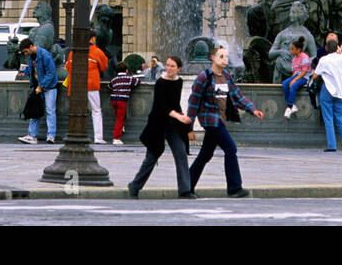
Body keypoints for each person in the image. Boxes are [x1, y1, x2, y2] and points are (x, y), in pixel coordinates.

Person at [186, 44, 264, 197]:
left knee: (205, 155)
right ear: (213, 58)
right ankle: (234, 188)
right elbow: (193, 103)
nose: (225, 60)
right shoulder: (204, 77)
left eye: (226, 57)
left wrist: (253, 109)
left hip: (221, 119)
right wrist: (189, 127)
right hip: (211, 121)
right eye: (221, 56)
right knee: (231, 148)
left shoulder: (227, 76)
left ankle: (186, 186)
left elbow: (237, 96)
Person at [127, 55, 195, 199]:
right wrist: (179, 116)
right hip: (158, 124)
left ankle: (185, 190)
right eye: (168, 65)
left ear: (179, 68)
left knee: (181, 153)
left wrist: (186, 126)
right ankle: (135, 186)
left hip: (172, 125)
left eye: (172, 66)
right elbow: (160, 106)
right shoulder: (160, 82)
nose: (169, 68)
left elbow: (175, 104)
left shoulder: (179, 82)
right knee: (152, 157)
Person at [66, 34, 109, 144]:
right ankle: (98, 137)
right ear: (93, 38)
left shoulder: (72, 53)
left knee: (77, 112)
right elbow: (104, 66)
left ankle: (76, 134)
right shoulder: (97, 51)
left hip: (76, 86)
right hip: (91, 85)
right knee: (96, 111)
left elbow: (67, 67)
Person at [314, 37, 342, 153]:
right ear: (337, 48)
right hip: (340, 92)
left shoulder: (324, 60)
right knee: (340, 118)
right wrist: (341, 54)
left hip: (327, 89)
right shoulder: (341, 58)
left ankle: (332, 145)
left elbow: (316, 74)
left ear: (326, 48)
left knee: (328, 118)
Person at [17, 38, 58, 144]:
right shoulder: (31, 56)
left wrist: (41, 86)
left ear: (31, 47)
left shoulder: (45, 55)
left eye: (26, 51)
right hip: (38, 87)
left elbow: (51, 73)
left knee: (50, 110)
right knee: (34, 110)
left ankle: (50, 135)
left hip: (48, 87)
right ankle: (32, 135)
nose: (25, 54)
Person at [109, 62, 140, 145]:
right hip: (122, 99)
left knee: (118, 117)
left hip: (113, 99)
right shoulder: (129, 78)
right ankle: (116, 138)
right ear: (126, 70)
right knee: (120, 118)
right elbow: (138, 82)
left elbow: (110, 86)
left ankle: (121, 127)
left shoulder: (114, 79)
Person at [282, 38, 312, 118]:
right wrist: (291, 79)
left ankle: (289, 107)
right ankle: (292, 106)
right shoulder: (294, 59)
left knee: (293, 86)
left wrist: (294, 80)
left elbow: (304, 72)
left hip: (304, 77)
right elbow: (294, 71)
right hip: (296, 76)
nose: (291, 51)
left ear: (298, 50)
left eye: (292, 49)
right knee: (285, 84)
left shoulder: (305, 57)